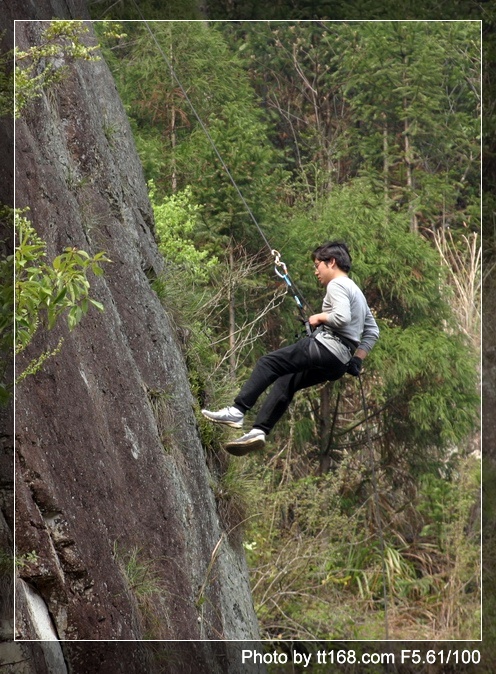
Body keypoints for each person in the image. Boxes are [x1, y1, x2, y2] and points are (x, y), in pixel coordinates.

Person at [202, 241, 379, 455]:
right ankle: (259, 430)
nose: (316, 271)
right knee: (287, 380)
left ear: (331, 262)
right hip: (339, 363)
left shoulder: (337, 284)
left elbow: (341, 318)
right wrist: (357, 359)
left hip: (325, 348)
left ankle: (237, 411)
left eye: (317, 265)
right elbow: (372, 331)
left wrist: (318, 317)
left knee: (268, 363)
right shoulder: (357, 292)